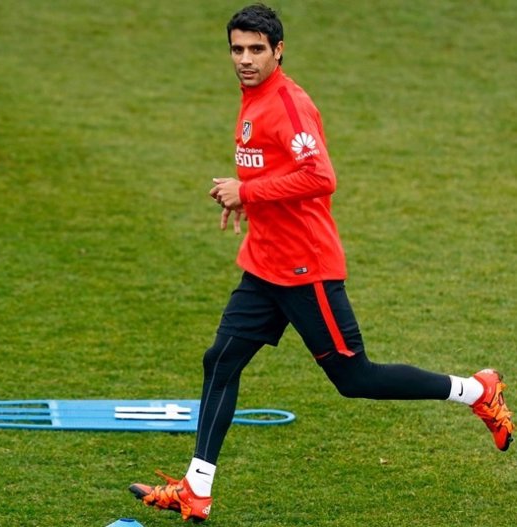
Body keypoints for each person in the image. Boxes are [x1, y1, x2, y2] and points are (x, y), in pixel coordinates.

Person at [129, 3, 513, 523]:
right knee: (220, 360)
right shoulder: (252, 98)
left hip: (304, 269)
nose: (245, 59)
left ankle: (476, 391)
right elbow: (273, 172)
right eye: (237, 49)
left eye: (256, 50)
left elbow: (320, 177)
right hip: (264, 267)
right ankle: (197, 490)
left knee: (355, 378)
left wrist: (248, 190)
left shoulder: (288, 104)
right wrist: (249, 199)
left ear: (278, 50)